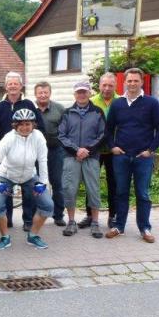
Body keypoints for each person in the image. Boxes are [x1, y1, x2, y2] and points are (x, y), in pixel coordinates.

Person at [105, 68, 159, 243]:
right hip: (121, 156)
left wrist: (151, 150)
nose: (132, 84)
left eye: (135, 81)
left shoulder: (151, 103)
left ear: (141, 81)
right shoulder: (117, 104)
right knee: (121, 192)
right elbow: (108, 129)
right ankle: (119, 226)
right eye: (129, 81)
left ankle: (145, 228)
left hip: (143, 157)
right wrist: (113, 147)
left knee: (143, 194)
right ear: (124, 82)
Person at [0, 109, 54, 250]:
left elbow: (43, 160)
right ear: (15, 125)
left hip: (29, 176)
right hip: (6, 175)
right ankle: (5, 237)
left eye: (28, 124)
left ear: (33, 125)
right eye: (21, 124)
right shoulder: (9, 138)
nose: (25, 127)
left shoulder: (38, 137)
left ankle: (33, 236)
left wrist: (43, 183)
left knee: (47, 204)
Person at [0, 71, 45, 231]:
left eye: (16, 83)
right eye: (10, 84)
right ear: (5, 87)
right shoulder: (0, 106)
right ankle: (7, 219)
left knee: (28, 190)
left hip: (27, 152)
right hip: (7, 153)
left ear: (21, 86)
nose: (13, 86)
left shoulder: (29, 104)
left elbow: (39, 127)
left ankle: (28, 220)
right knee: (6, 189)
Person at [58, 82, 106, 239]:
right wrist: (76, 150)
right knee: (69, 190)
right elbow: (62, 136)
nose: (82, 95)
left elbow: (102, 135)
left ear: (90, 93)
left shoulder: (98, 112)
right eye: (79, 92)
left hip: (91, 157)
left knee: (93, 190)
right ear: (74, 95)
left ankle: (95, 223)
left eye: (84, 92)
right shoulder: (67, 113)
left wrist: (87, 150)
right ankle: (71, 222)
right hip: (71, 157)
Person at [78, 73, 119, 229]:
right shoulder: (91, 102)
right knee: (91, 183)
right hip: (94, 150)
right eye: (104, 85)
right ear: (99, 85)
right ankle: (90, 215)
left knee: (114, 184)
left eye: (110, 85)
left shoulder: (121, 101)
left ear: (115, 85)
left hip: (115, 151)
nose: (107, 88)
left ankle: (113, 216)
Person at [34, 81, 66, 226]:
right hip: (34, 152)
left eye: (45, 92)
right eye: (40, 92)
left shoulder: (59, 109)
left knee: (57, 183)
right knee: (35, 183)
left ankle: (58, 215)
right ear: (35, 94)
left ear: (50, 93)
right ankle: (35, 214)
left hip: (55, 150)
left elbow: (67, 129)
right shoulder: (30, 108)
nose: (43, 95)